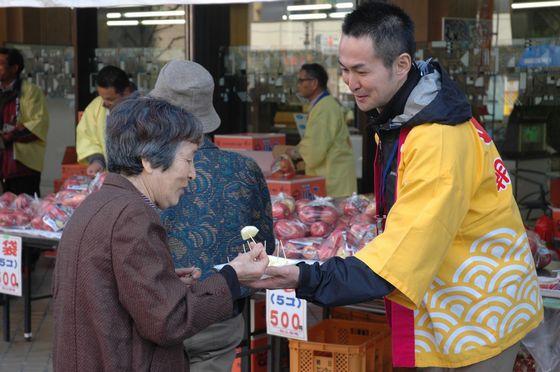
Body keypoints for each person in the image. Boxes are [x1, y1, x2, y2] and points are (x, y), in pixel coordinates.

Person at [250, 2, 543, 371]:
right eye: (343, 70)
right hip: (452, 300)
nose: (350, 83)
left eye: (361, 71)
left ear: (401, 65)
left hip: (475, 316)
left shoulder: (435, 139)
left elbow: (401, 256)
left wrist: (303, 275)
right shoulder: (407, 113)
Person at [52, 96, 269, 372]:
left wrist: (167, 281)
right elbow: (169, 321)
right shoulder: (133, 216)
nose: (192, 174)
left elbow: (113, 290)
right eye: (188, 160)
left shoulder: (98, 203)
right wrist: (232, 277)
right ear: (149, 161)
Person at [150, 60, 275, 372]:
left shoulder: (142, 169)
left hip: (156, 315)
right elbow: (264, 248)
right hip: (219, 313)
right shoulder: (243, 169)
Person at [296, 63, 356, 197]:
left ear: (314, 83)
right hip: (334, 178)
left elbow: (314, 151)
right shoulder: (323, 105)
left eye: (301, 80)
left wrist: (294, 153)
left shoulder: (325, 108)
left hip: (334, 183)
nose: (298, 85)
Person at [0, 47, 49, 196]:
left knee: (24, 209)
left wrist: (7, 136)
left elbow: (38, 123)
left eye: (1, 63)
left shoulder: (30, 91)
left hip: (22, 164)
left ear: (14, 68)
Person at [76, 65, 136, 176]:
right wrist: (97, 161)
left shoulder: (146, 109)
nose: (104, 103)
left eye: (110, 99)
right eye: (102, 97)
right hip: (109, 179)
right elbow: (87, 138)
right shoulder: (95, 107)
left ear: (127, 92)